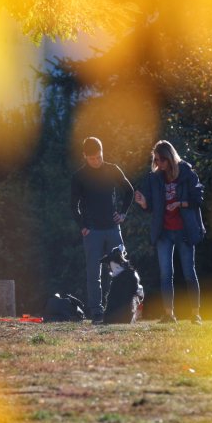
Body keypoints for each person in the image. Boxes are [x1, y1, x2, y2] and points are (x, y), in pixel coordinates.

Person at [134, 140, 205, 324]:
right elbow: (151, 205)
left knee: (189, 273)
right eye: (155, 160)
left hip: (184, 230)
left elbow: (198, 198)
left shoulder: (186, 173)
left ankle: (195, 314)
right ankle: (168, 314)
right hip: (164, 231)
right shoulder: (154, 177)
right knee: (166, 274)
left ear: (169, 158)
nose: (158, 164)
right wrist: (143, 203)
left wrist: (180, 203)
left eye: (161, 160)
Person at [70, 137, 134, 324]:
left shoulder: (112, 169)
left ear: (102, 152)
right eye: (92, 158)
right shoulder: (79, 177)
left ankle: (122, 311)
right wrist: (82, 226)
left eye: (98, 157)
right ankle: (97, 313)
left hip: (113, 229)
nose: (96, 161)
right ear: (84, 156)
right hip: (92, 232)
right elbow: (73, 206)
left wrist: (122, 214)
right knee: (93, 274)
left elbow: (129, 191)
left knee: (121, 270)